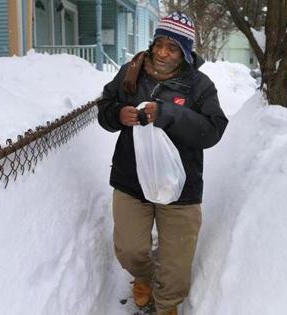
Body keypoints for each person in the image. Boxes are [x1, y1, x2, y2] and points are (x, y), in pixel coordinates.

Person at [97, 11, 228, 315]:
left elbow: (213, 130)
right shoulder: (132, 72)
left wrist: (168, 113)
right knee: (130, 249)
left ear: (185, 52)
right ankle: (143, 278)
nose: (163, 53)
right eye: (159, 44)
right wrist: (118, 115)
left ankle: (168, 304)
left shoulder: (199, 85)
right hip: (132, 180)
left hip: (180, 185)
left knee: (176, 262)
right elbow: (105, 106)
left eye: (172, 48)